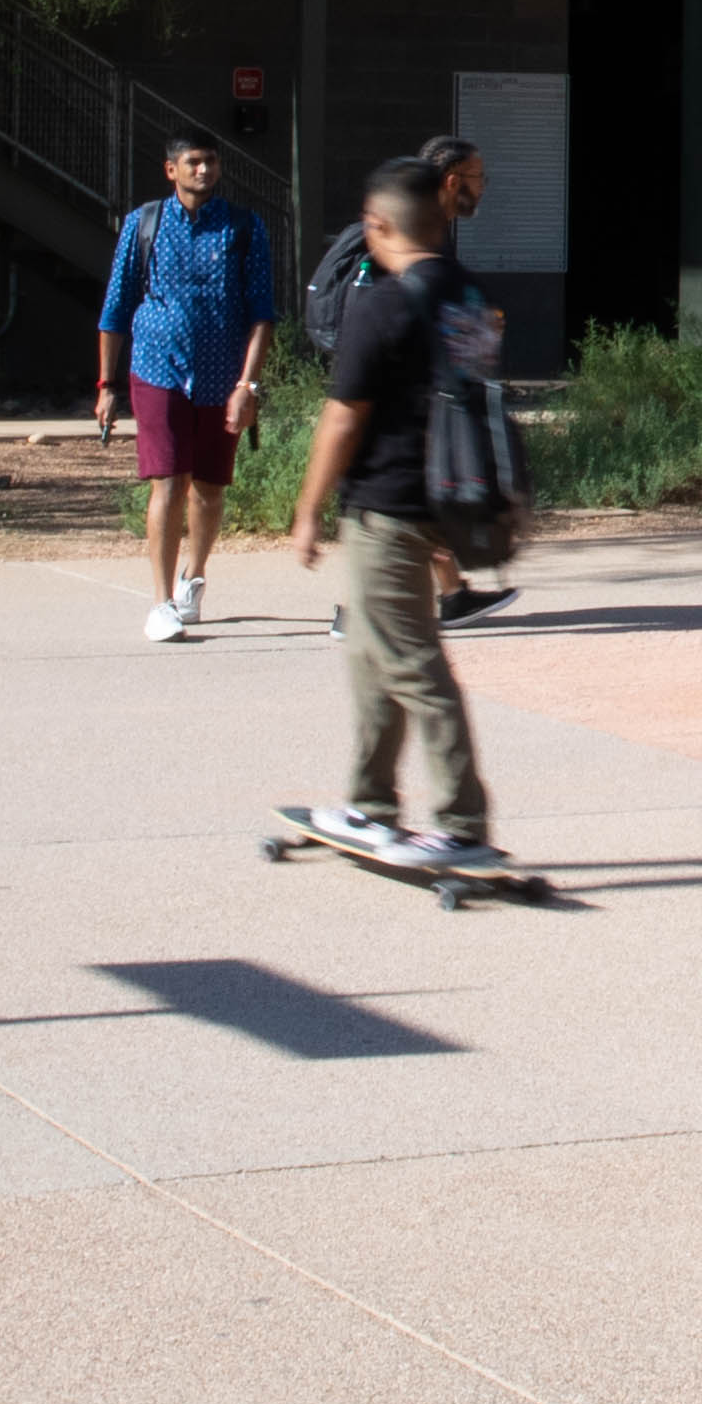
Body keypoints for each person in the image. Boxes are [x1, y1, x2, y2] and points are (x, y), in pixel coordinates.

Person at [284, 156, 498, 871]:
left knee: (411, 663)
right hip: (451, 499)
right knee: (372, 654)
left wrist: (308, 509)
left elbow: (344, 416)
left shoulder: (380, 300)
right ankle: (368, 804)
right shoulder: (467, 295)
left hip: (387, 505)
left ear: (376, 225)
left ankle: (461, 824)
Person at [92, 132, 274, 641]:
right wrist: (107, 384)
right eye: (193, 162)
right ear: (171, 169)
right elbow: (115, 308)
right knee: (169, 481)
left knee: (210, 488)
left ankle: (193, 577)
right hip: (157, 369)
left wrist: (248, 384)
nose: (204, 170)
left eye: (211, 162)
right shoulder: (143, 224)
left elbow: (262, 315)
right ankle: (161, 603)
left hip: (223, 376)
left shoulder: (244, 227)